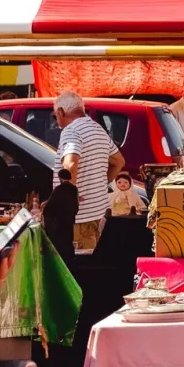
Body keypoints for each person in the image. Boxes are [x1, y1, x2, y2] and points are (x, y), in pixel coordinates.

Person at [52, 91, 124, 252]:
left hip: (79, 219)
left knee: (77, 271)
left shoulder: (71, 131)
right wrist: (98, 184)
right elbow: (119, 162)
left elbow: (70, 165)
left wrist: (66, 199)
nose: (56, 120)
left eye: (54, 116)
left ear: (60, 112)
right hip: (98, 214)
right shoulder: (97, 129)